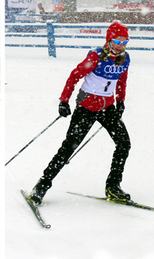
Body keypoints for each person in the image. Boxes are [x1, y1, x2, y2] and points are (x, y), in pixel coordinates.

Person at [28, 21, 132, 205]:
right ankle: (41, 187)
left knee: (124, 143)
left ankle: (113, 187)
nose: (120, 46)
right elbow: (74, 76)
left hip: (107, 108)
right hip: (86, 107)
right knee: (69, 147)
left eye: (124, 42)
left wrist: (120, 102)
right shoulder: (96, 57)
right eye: (117, 41)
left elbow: (122, 80)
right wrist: (64, 101)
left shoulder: (125, 58)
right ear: (109, 40)